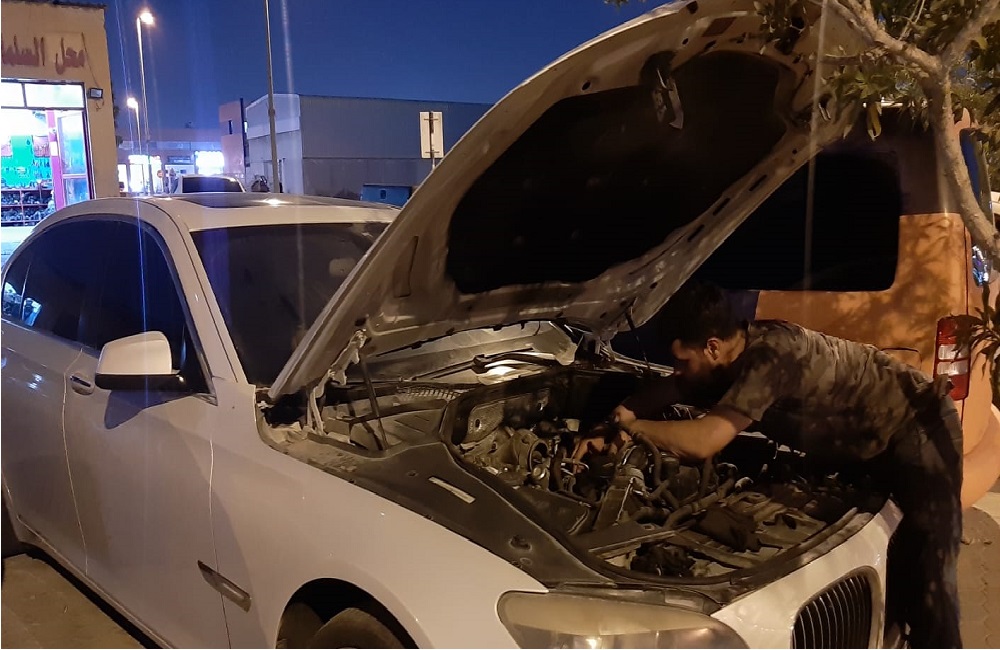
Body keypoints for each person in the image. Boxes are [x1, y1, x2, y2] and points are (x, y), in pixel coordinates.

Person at [573, 281, 964, 649]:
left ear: (712, 347)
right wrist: (612, 422)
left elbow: (705, 440)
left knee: (929, 576)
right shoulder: (726, 357)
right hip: (863, 444)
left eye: (681, 361)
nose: (677, 370)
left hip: (918, 427)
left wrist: (635, 429)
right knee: (903, 573)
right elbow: (670, 388)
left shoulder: (771, 357)